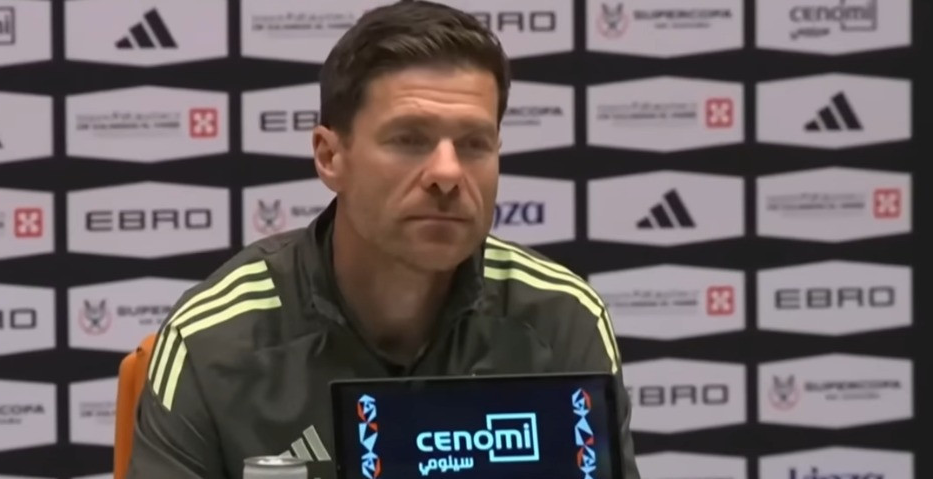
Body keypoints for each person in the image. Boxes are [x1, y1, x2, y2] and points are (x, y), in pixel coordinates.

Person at [126, 1, 641, 478]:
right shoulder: (215, 340)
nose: (447, 172)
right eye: (409, 139)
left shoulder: (559, 317)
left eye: (474, 144)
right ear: (330, 156)